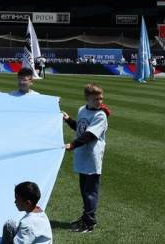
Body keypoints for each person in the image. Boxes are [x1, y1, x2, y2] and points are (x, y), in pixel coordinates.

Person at [62, 83, 109, 233]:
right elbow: (81, 128)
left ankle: (89, 222)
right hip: (82, 156)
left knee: (90, 192)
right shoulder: (82, 110)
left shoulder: (100, 115)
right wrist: (69, 119)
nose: (100, 102)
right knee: (84, 190)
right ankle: (85, 217)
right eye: (96, 99)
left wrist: (73, 144)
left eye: (101, 98)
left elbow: (89, 135)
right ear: (87, 99)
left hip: (92, 157)